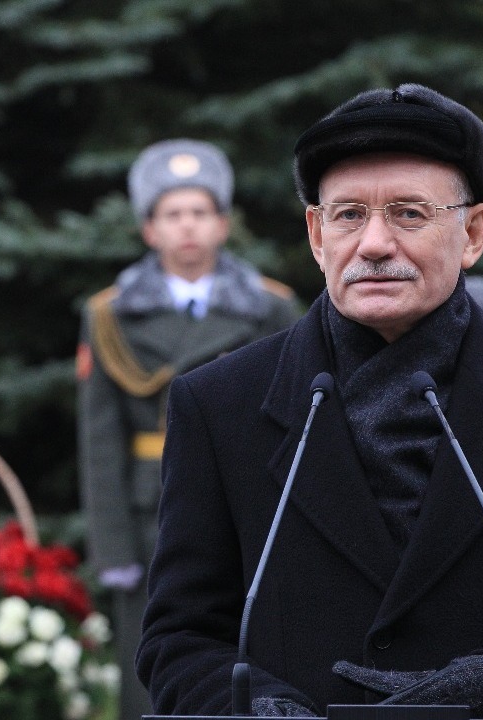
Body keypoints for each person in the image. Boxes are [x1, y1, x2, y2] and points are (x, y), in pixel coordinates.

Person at [137, 85, 483, 720]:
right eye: (349, 215)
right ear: (316, 235)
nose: (373, 243)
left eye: (408, 214)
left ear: (473, 233)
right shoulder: (218, 405)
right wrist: (262, 709)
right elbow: (177, 642)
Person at [78, 138, 302, 720]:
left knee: (247, 655)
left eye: (200, 212)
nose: (188, 226)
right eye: (172, 213)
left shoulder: (270, 309)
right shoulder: (110, 315)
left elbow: (293, 420)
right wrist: (112, 548)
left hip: (245, 498)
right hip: (149, 509)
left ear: (223, 225)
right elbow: (100, 440)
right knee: (151, 666)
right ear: (149, 229)